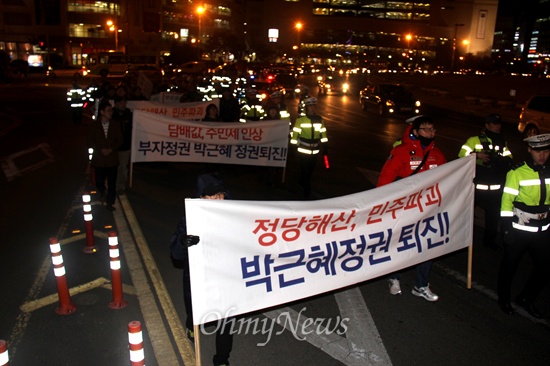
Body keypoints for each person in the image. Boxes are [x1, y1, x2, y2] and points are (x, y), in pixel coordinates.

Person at [377, 115, 446, 301]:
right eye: (425, 129)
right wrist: (380, 206)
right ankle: (394, 278)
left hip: (428, 209)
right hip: (404, 209)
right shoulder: (401, 151)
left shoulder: (437, 155)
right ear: (415, 131)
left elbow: (445, 182)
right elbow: (385, 179)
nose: (430, 133)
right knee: (402, 243)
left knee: (427, 245)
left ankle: (421, 285)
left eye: (432, 130)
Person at [170, 173, 234, 366]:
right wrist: (183, 243)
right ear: (201, 197)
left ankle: (222, 359)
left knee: (226, 321)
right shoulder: (190, 219)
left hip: (226, 278)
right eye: (211, 195)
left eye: (220, 194)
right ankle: (191, 326)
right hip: (198, 279)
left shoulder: (236, 214)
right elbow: (176, 254)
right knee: (195, 313)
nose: (217, 199)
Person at [497, 134, 550, 319]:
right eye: (537, 151)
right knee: (509, 266)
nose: (541, 155)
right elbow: (506, 203)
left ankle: (526, 298)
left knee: (544, 267)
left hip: (542, 229)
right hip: (519, 229)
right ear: (529, 150)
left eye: (545, 150)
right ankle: (503, 298)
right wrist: (506, 229)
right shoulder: (517, 172)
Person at [458, 114, 513, 249]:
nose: (497, 126)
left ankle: (489, 242)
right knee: (465, 212)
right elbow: (461, 155)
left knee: (493, 217)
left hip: (495, 185)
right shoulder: (475, 140)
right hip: (478, 184)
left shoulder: (502, 142)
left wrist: (499, 160)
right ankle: (459, 238)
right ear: (487, 125)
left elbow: (509, 158)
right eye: (494, 123)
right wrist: (477, 155)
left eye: (499, 123)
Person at [87, 101, 123, 211]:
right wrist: (100, 149)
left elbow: (120, 140)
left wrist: (111, 149)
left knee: (112, 182)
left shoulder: (115, 125)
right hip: (99, 159)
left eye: (111, 110)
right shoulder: (94, 125)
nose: (110, 113)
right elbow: (90, 140)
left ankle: (110, 202)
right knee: (99, 182)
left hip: (112, 158)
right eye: (108, 110)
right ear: (102, 112)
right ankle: (100, 198)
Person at [289, 97, 328, 198]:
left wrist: (325, 146)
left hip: (315, 150)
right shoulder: (300, 120)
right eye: (310, 106)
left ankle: (302, 181)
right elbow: (295, 135)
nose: (312, 108)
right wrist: (293, 147)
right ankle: (306, 187)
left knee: (311, 169)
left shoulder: (320, 119)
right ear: (306, 108)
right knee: (305, 168)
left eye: (314, 106)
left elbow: (323, 134)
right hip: (303, 149)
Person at [111, 96, 133, 195]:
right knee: (112, 167)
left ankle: (120, 186)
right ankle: (111, 185)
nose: (123, 105)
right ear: (115, 104)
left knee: (123, 168)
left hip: (125, 146)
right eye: (120, 103)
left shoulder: (129, 114)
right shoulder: (111, 114)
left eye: (124, 103)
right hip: (113, 146)